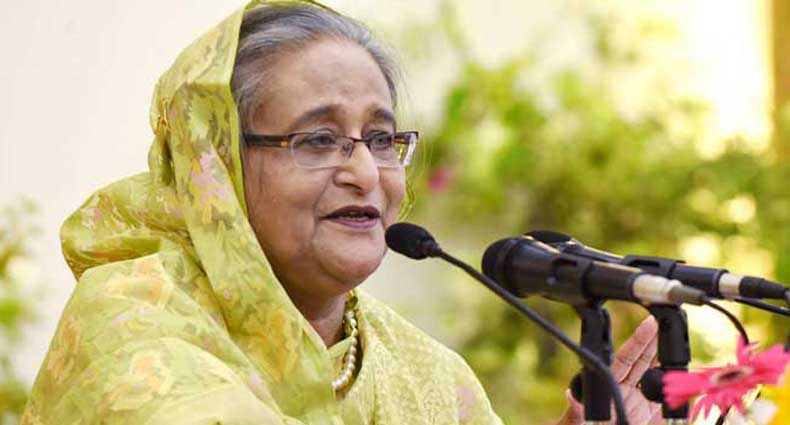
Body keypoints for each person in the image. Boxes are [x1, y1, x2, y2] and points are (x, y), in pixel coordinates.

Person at [22, 1, 662, 423]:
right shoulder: (133, 327)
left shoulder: (426, 372)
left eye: (381, 139)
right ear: (216, 167)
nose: (365, 173)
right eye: (319, 139)